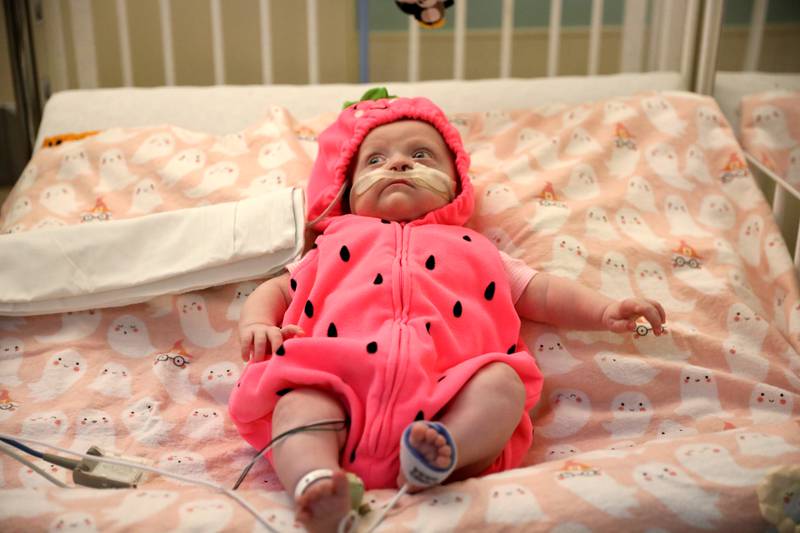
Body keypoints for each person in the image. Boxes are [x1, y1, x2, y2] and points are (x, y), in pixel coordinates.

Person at [228, 93, 666, 533]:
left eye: (420, 155)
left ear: (457, 184)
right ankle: (316, 483)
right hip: (335, 381)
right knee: (298, 405)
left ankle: (445, 454)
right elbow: (277, 288)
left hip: (447, 391)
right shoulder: (330, 245)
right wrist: (258, 323)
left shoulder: (476, 248)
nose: (397, 165)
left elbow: (544, 292)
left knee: (503, 385)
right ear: (345, 189)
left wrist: (605, 308)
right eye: (375, 160)